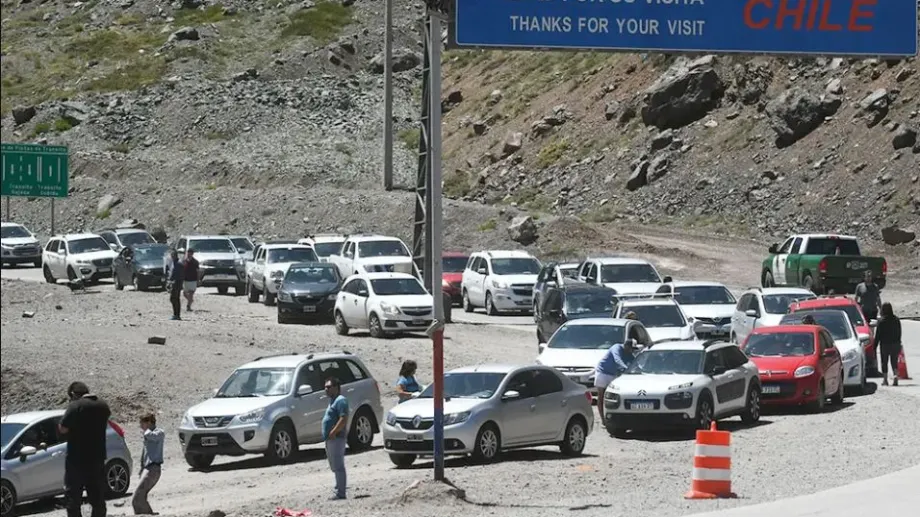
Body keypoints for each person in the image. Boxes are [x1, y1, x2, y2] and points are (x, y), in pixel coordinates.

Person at [58, 382, 111, 517]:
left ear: (73, 394)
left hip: (77, 459)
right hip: (97, 458)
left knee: (73, 498)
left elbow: (63, 428)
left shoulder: (75, 406)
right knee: (97, 497)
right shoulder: (103, 406)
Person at [594, 338, 637, 422]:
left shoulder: (629, 354)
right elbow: (617, 360)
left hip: (613, 374)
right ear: (626, 346)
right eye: (632, 348)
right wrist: (627, 369)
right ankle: (603, 419)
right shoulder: (616, 347)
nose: (632, 351)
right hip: (602, 372)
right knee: (601, 396)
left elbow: (635, 362)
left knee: (614, 397)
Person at [322, 377, 349, 500]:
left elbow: (343, 419)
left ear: (336, 388)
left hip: (337, 438)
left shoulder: (340, 401)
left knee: (338, 465)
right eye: (325, 387)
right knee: (334, 465)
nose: (326, 389)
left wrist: (333, 431)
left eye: (328, 387)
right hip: (330, 439)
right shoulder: (332, 401)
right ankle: (338, 488)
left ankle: (341, 493)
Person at [132, 413, 164, 515]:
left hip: (153, 469)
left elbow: (151, 436)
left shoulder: (159, 433)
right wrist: (141, 468)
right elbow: (145, 452)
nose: (141, 426)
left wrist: (146, 431)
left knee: (137, 498)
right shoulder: (147, 434)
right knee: (139, 497)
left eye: (142, 423)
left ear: (149, 422)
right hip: (147, 469)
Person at [875, 302, 902, 387]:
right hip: (895, 344)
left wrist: (874, 346)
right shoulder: (896, 319)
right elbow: (899, 332)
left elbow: (878, 335)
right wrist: (898, 342)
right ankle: (895, 378)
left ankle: (885, 380)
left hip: (885, 345)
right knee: (894, 362)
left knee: (884, 362)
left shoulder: (881, 321)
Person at [165, 249, 183, 321]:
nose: (171, 257)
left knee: (174, 299)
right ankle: (176, 314)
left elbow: (178, 275)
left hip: (176, 284)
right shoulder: (174, 263)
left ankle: (177, 315)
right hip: (174, 283)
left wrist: (172, 282)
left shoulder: (178, 264)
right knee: (174, 299)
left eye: (172, 255)